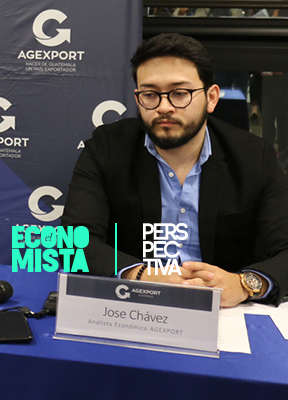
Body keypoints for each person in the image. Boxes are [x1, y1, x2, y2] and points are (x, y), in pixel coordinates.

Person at [62, 33, 288, 307]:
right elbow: (73, 241)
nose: (164, 107)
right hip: (131, 306)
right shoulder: (107, 147)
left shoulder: (253, 156)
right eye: (150, 94)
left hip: (224, 311)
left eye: (180, 93)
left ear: (211, 97)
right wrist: (140, 275)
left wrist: (244, 284)